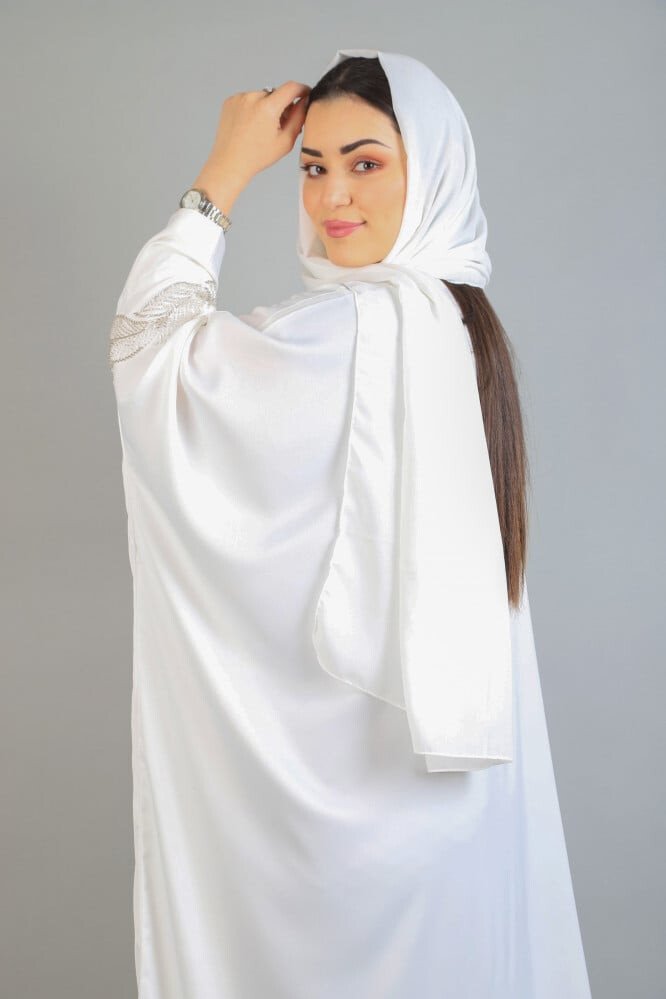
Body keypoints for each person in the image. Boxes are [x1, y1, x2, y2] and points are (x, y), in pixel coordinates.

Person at [108, 48, 592, 999]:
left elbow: (150, 356)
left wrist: (224, 172)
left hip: (348, 846)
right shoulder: (457, 325)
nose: (333, 195)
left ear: (432, 170)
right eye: (313, 166)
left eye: (366, 163)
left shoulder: (355, 330)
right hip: (451, 817)